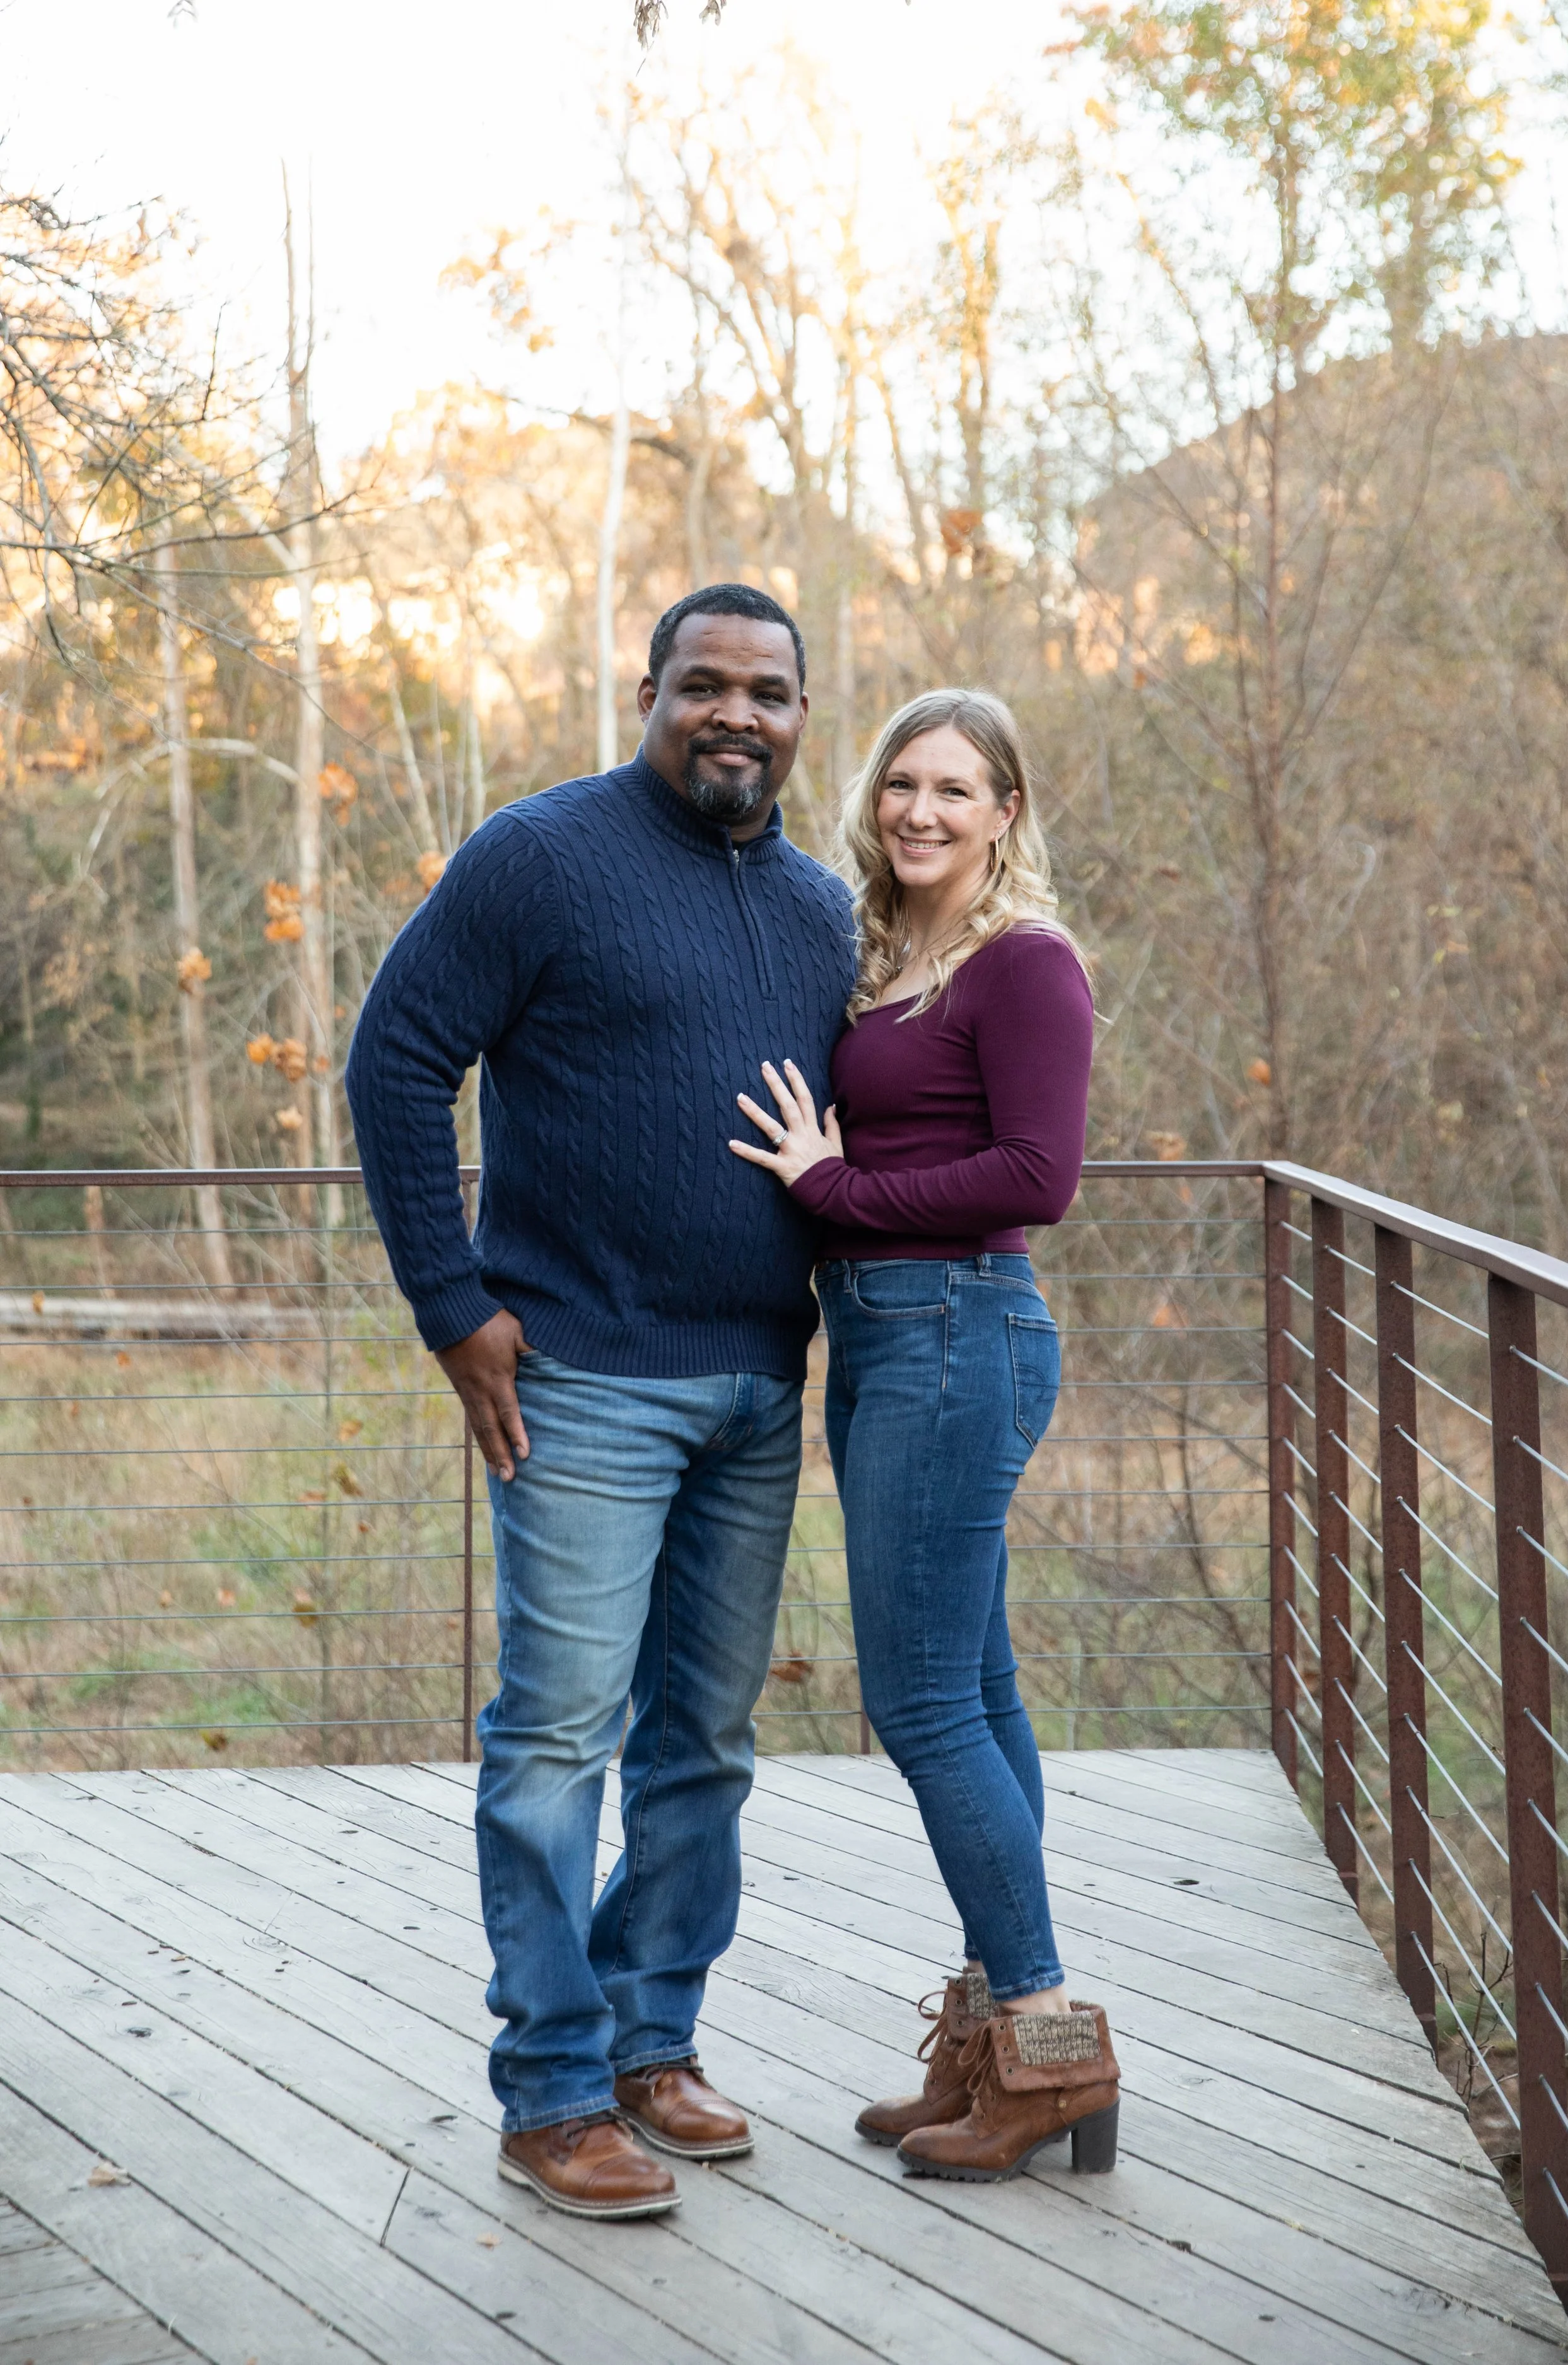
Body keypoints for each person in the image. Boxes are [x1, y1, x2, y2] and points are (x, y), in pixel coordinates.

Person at [346, 583, 853, 2219]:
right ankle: (553, 2087)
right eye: (700, 683)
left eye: (765, 691)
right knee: (558, 1739)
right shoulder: (540, 855)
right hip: (577, 1377)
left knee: (701, 1742)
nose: (733, 713)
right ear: (645, 691)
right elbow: (396, 1056)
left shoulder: (825, 910)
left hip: (756, 1388)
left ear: (797, 715)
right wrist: (453, 1304)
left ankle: (654, 2042)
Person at [730, 688, 1121, 2181]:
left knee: (919, 1704)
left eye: (955, 790)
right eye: (902, 784)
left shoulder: (1024, 966)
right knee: (977, 1685)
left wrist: (828, 1193)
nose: (920, 812)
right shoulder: (890, 957)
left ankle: (1043, 2037)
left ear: (1004, 811)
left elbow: (1036, 1176)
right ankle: (994, 2037)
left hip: (955, 1330)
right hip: (898, 1336)